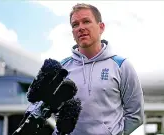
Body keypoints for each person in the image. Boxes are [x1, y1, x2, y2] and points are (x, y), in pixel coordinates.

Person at [53, 3, 144, 135]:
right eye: (75, 25)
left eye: (86, 21)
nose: (81, 28)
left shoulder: (122, 66)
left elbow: (136, 115)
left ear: (101, 27)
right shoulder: (61, 69)